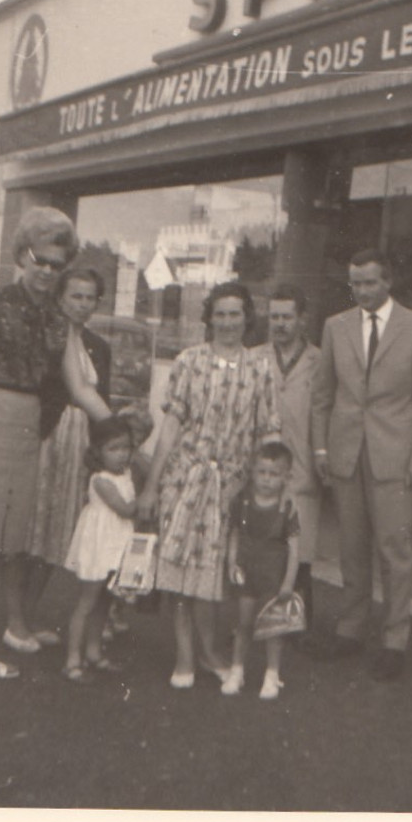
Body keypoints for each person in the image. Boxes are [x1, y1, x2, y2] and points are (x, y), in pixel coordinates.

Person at [0, 207, 110, 701]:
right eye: (39, 260)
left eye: (56, 263)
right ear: (20, 257)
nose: (47, 271)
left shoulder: (60, 323)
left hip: (26, 434)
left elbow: (80, 388)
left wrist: (118, 429)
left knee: (0, 544)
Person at [135, 282, 279, 690]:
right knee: (180, 574)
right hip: (185, 480)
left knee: (213, 576)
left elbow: (267, 432)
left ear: (247, 318)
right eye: (221, 314)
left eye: (236, 314)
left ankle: (210, 652)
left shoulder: (259, 368)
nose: (228, 322)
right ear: (209, 318)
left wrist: (265, 489)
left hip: (230, 487)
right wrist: (152, 486)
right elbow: (171, 427)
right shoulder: (188, 361)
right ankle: (184, 656)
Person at [310, 248, 412, 681]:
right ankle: (350, 629)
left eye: (370, 282)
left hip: (395, 456)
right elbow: (322, 395)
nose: (362, 291)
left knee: (394, 549)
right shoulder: (336, 326)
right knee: (351, 547)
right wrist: (321, 450)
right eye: (355, 283)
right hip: (346, 452)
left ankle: (395, 639)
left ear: (388, 282)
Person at [5, 267, 112, 653]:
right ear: (61, 298)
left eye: (89, 298)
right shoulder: (47, 337)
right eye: (75, 296)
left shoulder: (98, 346)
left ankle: (28, 619)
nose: (82, 304)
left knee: (56, 535)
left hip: (79, 446)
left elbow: (104, 401)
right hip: (46, 439)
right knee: (29, 531)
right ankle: (15, 622)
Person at [220, 441, 301, 700]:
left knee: (272, 629)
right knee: (243, 624)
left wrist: (288, 582)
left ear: (286, 477)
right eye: (262, 472)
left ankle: (272, 674)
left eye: (274, 474)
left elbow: (295, 551)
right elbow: (234, 534)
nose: (267, 480)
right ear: (252, 472)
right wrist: (232, 563)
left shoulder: (287, 508)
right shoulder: (242, 502)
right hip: (247, 571)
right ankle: (236, 670)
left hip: (273, 577)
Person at [262, 284, 322, 628]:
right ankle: (257, 620)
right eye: (274, 317)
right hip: (265, 466)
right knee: (264, 544)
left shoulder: (320, 361)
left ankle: (297, 626)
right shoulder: (255, 357)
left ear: (302, 319)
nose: (280, 324)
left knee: (300, 550)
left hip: (302, 465)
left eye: (287, 317)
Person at [61, 416, 137, 684]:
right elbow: (125, 508)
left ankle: (93, 651)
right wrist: (152, 500)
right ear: (98, 452)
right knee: (88, 601)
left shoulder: (124, 474)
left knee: (105, 600)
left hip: (115, 542)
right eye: (113, 449)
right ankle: (72, 658)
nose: (121, 455)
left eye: (125, 447)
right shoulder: (101, 480)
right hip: (99, 543)